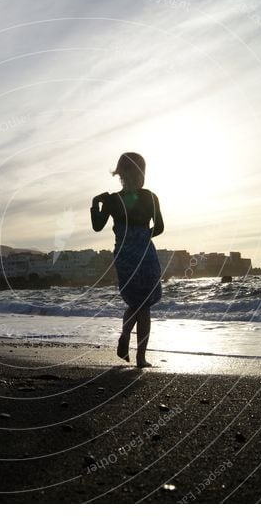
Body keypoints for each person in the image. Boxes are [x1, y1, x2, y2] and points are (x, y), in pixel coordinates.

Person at [91, 152, 164, 368]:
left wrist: (96, 203)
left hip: (124, 255)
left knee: (137, 302)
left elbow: (96, 226)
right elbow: (159, 227)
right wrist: (142, 237)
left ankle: (125, 337)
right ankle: (140, 357)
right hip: (145, 254)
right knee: (144, 304)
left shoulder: (113, 200)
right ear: (142, 172)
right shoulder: (150, 196)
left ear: (120, 173)